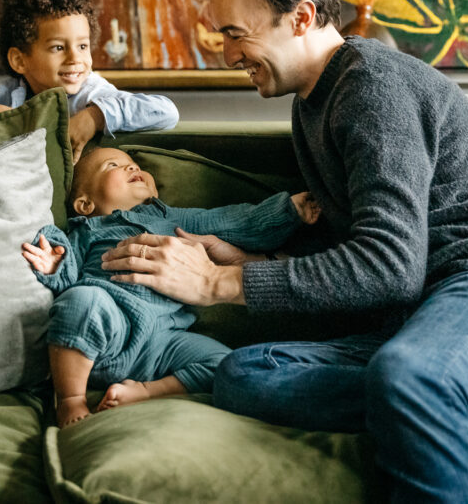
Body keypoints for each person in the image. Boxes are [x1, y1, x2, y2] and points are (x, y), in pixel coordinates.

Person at [98, 0, 468, 501]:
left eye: (236, 34)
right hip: (416, 317)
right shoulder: (313, 103)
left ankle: (442, 395)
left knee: (408, 376)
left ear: (301, 17)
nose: (228, 54)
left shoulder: (373, 87)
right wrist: (253, 259)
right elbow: (364, 248)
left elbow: (390, 266)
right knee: (244, 375)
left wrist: (217, 283)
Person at [20, 146, 321, 428]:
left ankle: (147, 391)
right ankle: (71, 400)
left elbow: (235, 220)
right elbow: (68, 271)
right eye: (113, 165)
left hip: (163, 341)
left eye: (133, 164)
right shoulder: (88, 229)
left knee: (230, 365)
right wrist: (55, 263)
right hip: (109, 326)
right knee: (82, 300)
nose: (132, 167)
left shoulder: (175, 219)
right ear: (85, 204)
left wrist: (289, 211)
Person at [0, 0, 179, 161]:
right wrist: (8, 118)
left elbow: (166, 112)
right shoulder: (5, 95)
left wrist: (95, 117)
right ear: (19, 61)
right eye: (58, 47)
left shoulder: (93, 94)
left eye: (82, 46)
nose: (75, 58)